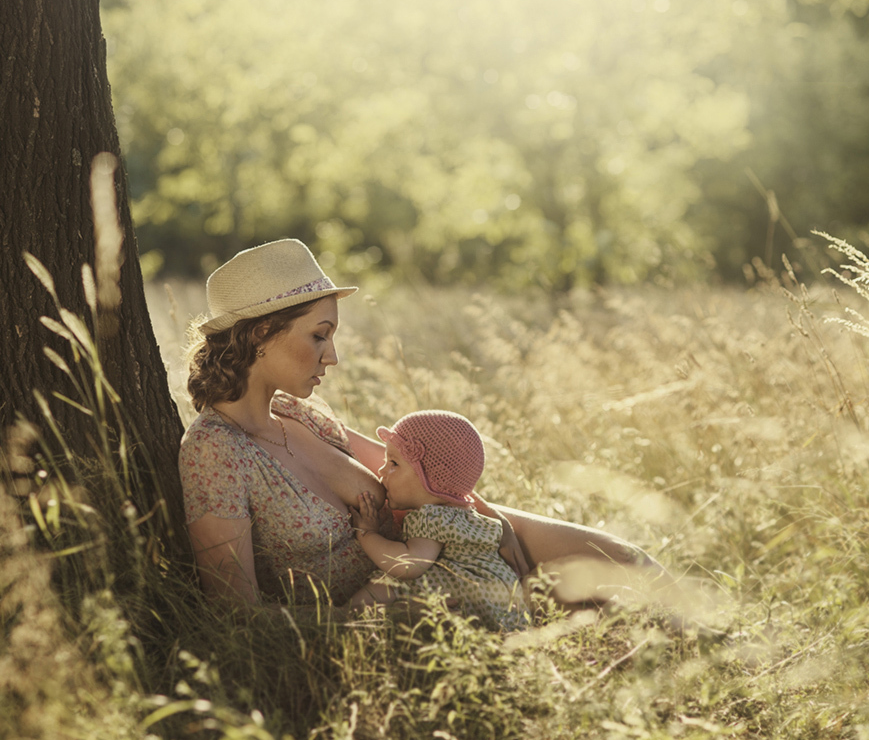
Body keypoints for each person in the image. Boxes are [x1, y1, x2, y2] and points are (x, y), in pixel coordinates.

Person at [179, 239, 663, 614]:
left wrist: (488, 519)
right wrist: (369, 625)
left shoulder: (300, 413)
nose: (333, 356)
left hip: (449, 541)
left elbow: (420, 473)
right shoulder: (214, 450)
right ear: (262, 332)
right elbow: (234, 611)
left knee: (626, 562)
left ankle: (727, 656)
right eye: (319, 336)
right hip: (396, 604)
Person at [347, 410, 529, 632]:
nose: (382, 470)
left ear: (431, 480)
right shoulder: (464, 514)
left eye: (394, 463)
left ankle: (344, 620)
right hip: (501, 597)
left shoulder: (432, 517)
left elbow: (408, 565)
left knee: (385, 588)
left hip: (470, 597)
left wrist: (367, 534)